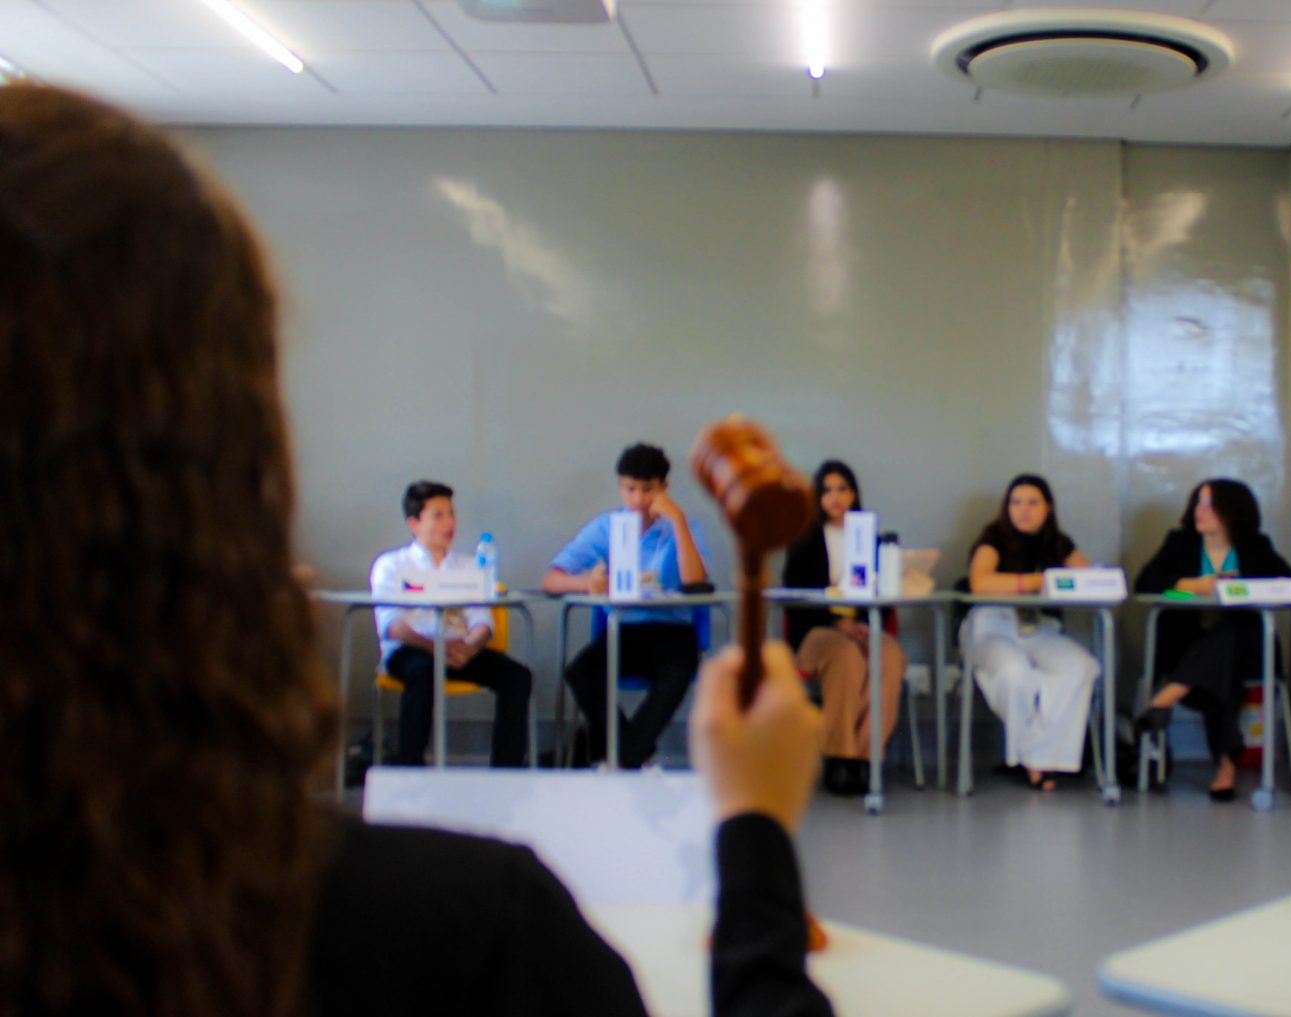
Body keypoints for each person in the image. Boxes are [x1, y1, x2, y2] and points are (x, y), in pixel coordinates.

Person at [0, 83, 830, 1017]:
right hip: (463, 656)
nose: (444, 524)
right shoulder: (476, 935)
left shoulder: (614, 535)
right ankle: (538, 761)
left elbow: (646, 588)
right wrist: (755, 830)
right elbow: (514, 589)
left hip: (608, 640)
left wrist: (651, 534)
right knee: (548, 666)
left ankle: (545, 770)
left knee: (525, 673)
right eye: (434, 515)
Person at [1134, 479, 1291, 802]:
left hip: (1249, 648)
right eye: (1198, 502)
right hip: (1189, 650)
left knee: (1231, 634)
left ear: (1232, 511)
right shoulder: (1180, 543)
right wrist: (1192, 586)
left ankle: (1167, 696)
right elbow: (1146, 584)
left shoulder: (1255, 546)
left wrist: (1247, 587)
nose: (1199, 511)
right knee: (1222, 667)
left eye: (1209, 504)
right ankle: (1226, 766)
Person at [543, 443, 711, 769]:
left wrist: (677, 520)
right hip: (625, 629)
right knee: (581, 671)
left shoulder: (684, 526)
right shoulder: (608, 526)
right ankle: (634, 755)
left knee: (677, 674)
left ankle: (608, 751)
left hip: (673, 630)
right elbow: (551, 580)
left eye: (647, 490)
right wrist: (587, 584)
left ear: (663, 488)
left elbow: (695, 582)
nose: (637, 499)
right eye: (629, 489)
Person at [369, 480, 534, 766]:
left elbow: (482, 619)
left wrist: (470, 647)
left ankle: (507, 769)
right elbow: (392, 624)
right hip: (412, 649)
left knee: (517, 676)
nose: (449, 523)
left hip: (459, 648)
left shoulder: (469, 566)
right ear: (414, 523)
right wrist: (433, 647)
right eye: (438, 515)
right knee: (423, 671)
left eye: (451, 514)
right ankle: (410, 767)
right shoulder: (392, 564)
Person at [964, 473, 1101, 792]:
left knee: (1082, 666)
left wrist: (1083, 577)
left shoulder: (1059, 542)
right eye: (1016, 502)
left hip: (1040, 628)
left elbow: (1088, 578)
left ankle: (1034, 754)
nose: (1023, 510)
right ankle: (1038, 763)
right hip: (992, 626)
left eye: (1032, 503)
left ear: (1048, 507)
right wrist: (1038, 581)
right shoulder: (993, 538)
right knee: (1014, 672)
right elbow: (980, 583)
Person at [781, 460, 907, 796]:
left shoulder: (871, 539)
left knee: (889, 655)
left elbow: (884, 594)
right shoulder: (803, 539)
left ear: (853, 494)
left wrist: (862, 623)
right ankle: (840, 757)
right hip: (817, 629)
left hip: (865, 626)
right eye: (827, 491)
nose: (835, 497)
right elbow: (794, 598)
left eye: (842, 489)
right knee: (846, 656)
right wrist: (838, 623)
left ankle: (866, 756)